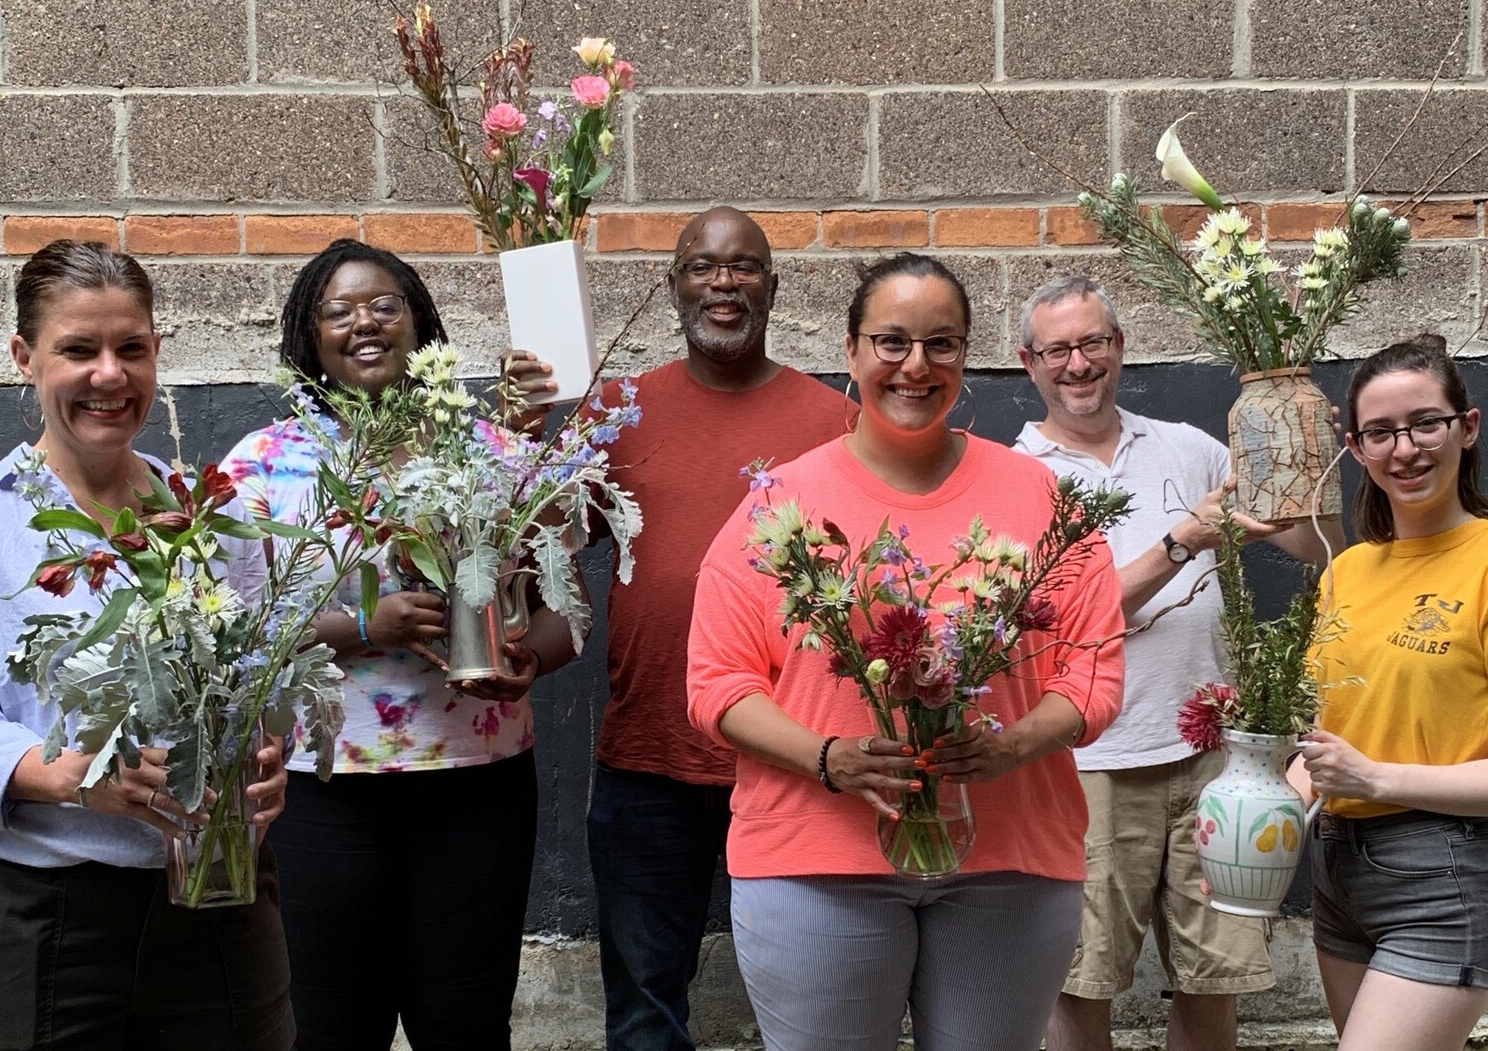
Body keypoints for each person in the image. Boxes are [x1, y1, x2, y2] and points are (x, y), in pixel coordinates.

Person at [686, 253, 1126, 1051]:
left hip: (1011, 861)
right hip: (815, 860)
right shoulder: (779, 504)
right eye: (890, 342)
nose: (915, 366)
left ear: (966, 355)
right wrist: (828, 756)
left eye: (942, 344)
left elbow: (1092, 668)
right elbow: (718, 683)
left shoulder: (1044, 500)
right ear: (851, 353)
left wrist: (1012, 744)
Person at [506, 206, 852, 1050]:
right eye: (702, 266)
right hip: (647, 761)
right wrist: (520, 433)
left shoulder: (833, 422)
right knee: (644, 1008)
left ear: (775, 285)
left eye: (743, 267)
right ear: (672, 286)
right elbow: (530, 548)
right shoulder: (617, 412)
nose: (723, 282)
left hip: (795, 762)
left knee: (819, 1002)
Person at [221, 239, 576, 1051]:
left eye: (385, 304)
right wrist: (360, 628)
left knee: (467, 1025)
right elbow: (229, 635)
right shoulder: (267, 464)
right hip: (324, 790)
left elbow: (567, 609)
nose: (364, 323)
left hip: (477, 789)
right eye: (338, 311)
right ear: (309, 338)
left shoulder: (488, 452)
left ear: (421, 323)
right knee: (332, 1026)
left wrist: (530, 660)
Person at [1014, 275, 1344, 1051]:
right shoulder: (1018, 475)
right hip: (1087, 764)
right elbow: (1057, 619)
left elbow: (1315, 547)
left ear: (1121, 348)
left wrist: (1307, 452)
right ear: (1029, 363)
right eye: (1058, 349)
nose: (1078, 362)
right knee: (1079, 983)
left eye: (1094, 342)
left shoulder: (1188, 447)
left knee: (1214, 980)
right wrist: (1179, 543)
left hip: (1214, 761)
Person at [0, 239, 292, 1049]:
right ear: (24, 357)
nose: (109, 375)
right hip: (52, 909)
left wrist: (268, 755)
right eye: (78, 350)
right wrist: (59, 774)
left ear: (158, 353)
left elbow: (262, 671)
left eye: (130, 347)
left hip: (220, 897)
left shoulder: (208, 513)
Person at [1293, 333, 1488, 1051]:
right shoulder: (1348, 571)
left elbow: (1362, 763)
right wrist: (1267, 802)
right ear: (1358, 448)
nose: (1404, 448)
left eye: (1424, 423)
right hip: (1338, 870)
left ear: (1466, 428)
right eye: (1381, 432)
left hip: (1445, 869)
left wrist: (1374, 776)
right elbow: (1325, 731)